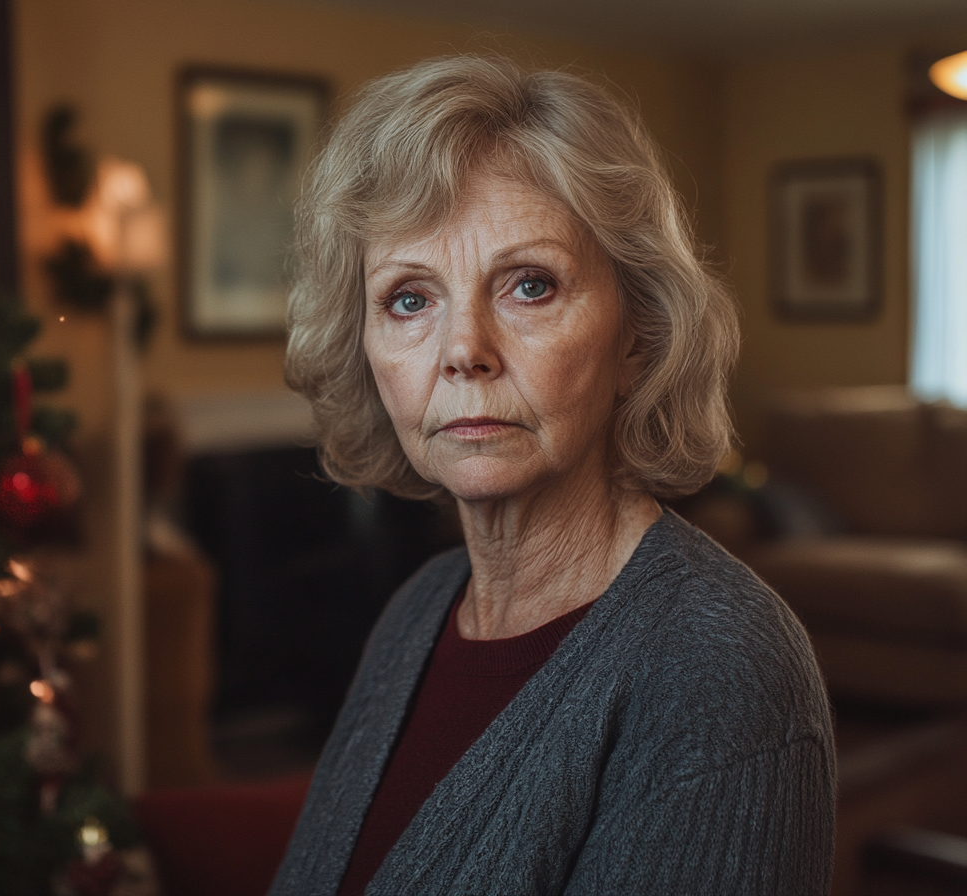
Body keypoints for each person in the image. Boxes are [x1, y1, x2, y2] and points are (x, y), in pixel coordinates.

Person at [271, 55, 834, 895]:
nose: (464, 350)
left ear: (637, 331)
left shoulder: (720, 671)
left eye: (528, 285)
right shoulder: (417, 613)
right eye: (409, 299)